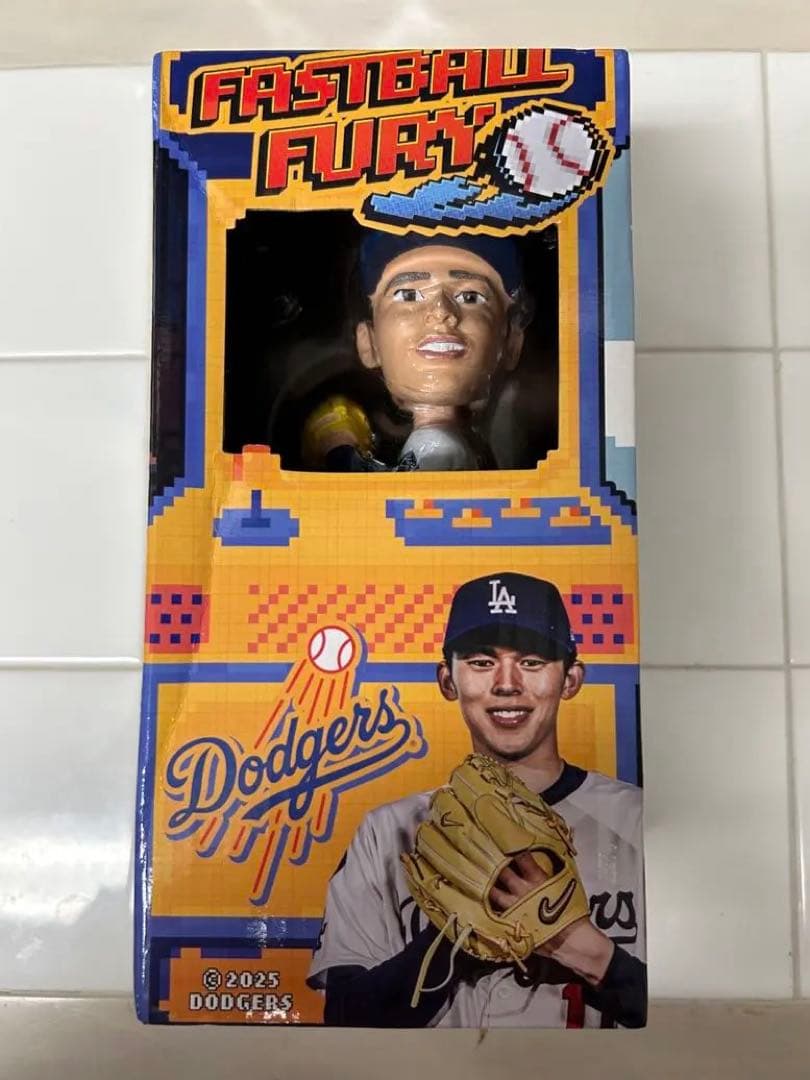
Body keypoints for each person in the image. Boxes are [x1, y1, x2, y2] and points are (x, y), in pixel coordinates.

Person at [307, 572, 646, 1028]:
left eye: (532, 661)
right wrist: (459, 928)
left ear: (570, 679)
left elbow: (695, 1021)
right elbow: (346, 1018)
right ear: (448, 680)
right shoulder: (387, 832)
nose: (506, 683)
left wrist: (577, 943)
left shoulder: (640, 821)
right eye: (482, 662)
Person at [302, 233, 531, 471]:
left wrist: (339, 450)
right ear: (369, 342)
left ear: (511, 344)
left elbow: (389, 491)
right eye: (408, 295)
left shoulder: (451, 445)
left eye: (470, 297)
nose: (441, 311)